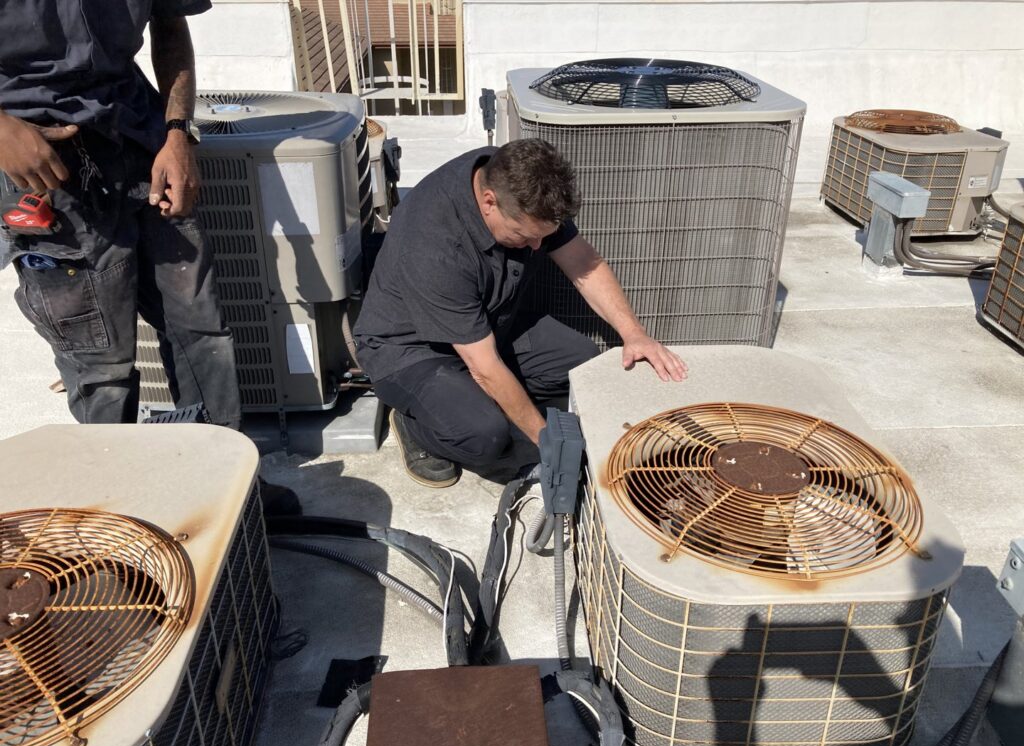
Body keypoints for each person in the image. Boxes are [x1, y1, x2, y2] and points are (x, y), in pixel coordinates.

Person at [0, 1, 298, 513]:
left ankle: (224, 486)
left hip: (140, 138)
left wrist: (179, 132)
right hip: (40, 165)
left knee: (199, 326)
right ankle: (120, 509)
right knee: (100, 363)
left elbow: (169, 22)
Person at [354, 139, 687, 488]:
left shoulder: (512, 177)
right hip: (411, 351)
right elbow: (484, 369)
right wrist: (549, 443)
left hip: (489, 326)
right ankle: (417, 426)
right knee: (484, 436)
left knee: (582, 363)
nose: (537, 248)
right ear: (488, 203)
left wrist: (632, 332)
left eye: (543, 237)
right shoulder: (435, 245)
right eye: (524, 236)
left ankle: (466, 404)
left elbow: (582, 261)